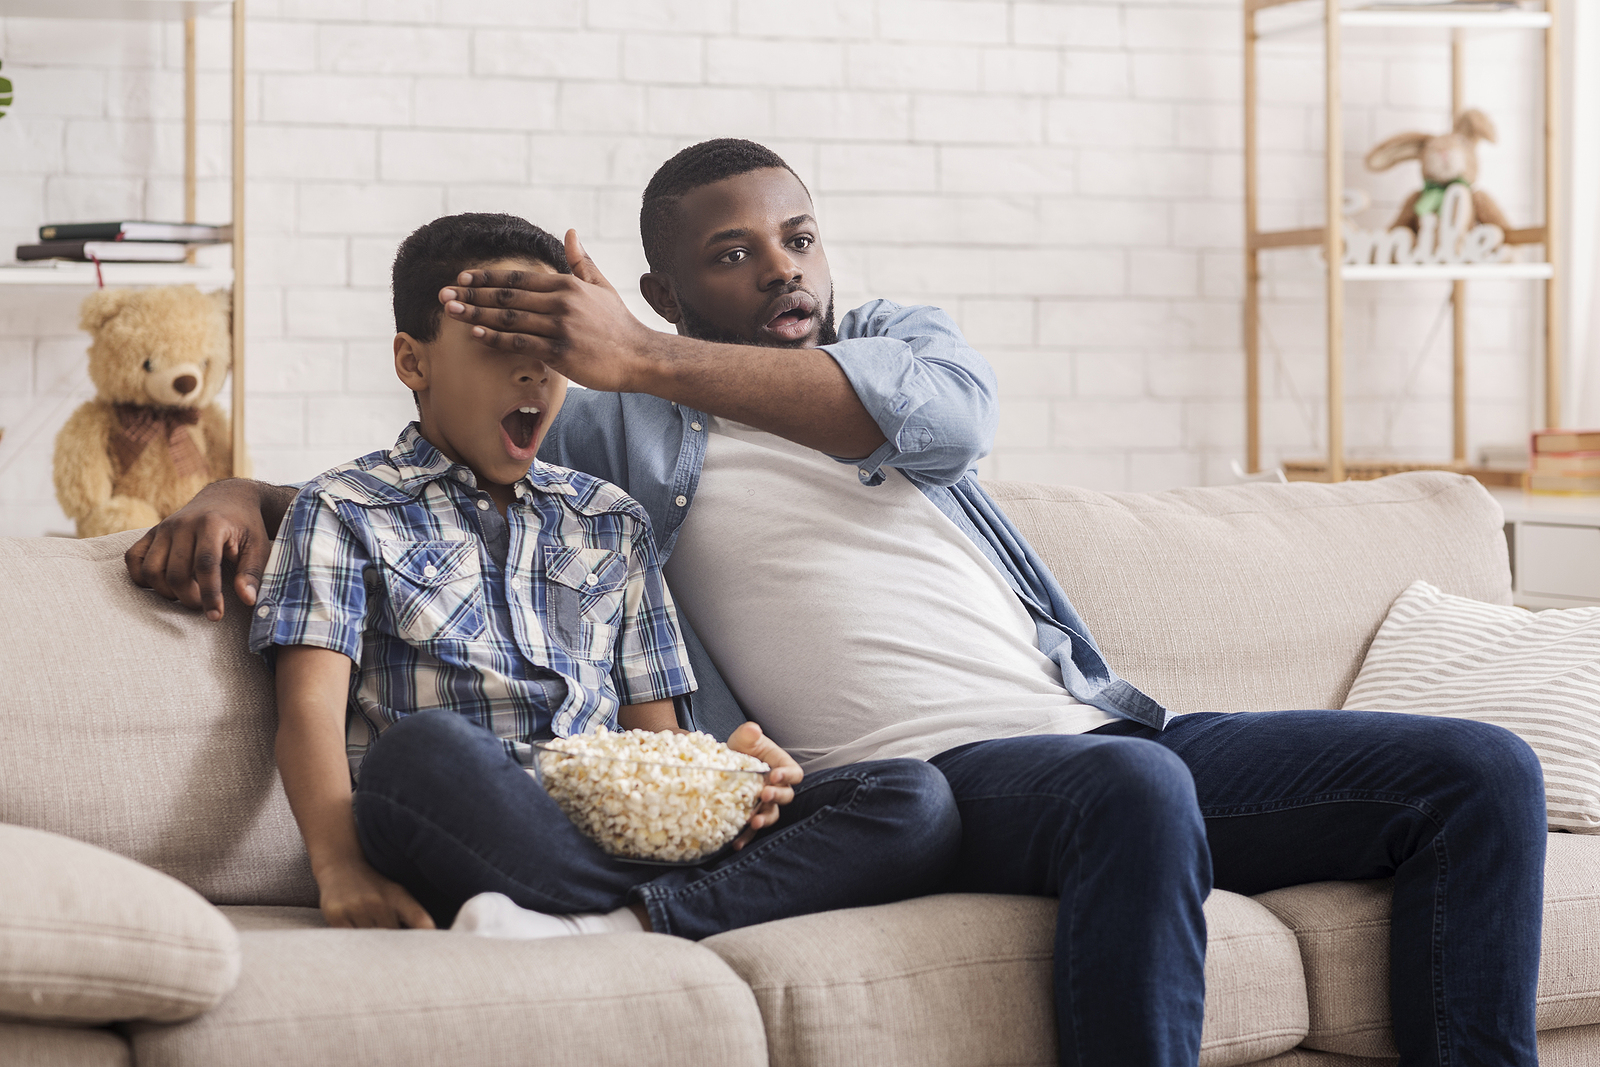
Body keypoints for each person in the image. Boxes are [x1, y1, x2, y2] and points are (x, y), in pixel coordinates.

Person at [131, 140, 1546, 1067]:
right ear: (662, 289)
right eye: (734, 254)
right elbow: (431, 481)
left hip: (1102, 724)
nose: (784, 268)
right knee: (1131, 791)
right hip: (938, 772)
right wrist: (235, 491)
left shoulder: (895, 349)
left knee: (1481, 771)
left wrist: (650, 355)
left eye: (798, 237)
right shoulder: (617, 428)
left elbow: (949, 420)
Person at [248, 211, 961, 940]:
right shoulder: (343, 509)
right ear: (413, 362)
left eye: (552, 347)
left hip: (616, 826)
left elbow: (655, 744)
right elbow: (309, 713)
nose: (533, 370)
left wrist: (722, 782)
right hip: (471, 813)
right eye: (500, 343)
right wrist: (339, 868)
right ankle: (688, 901)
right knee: (418, 755)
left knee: (913, 798)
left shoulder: (611, 519)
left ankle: (619, 922)